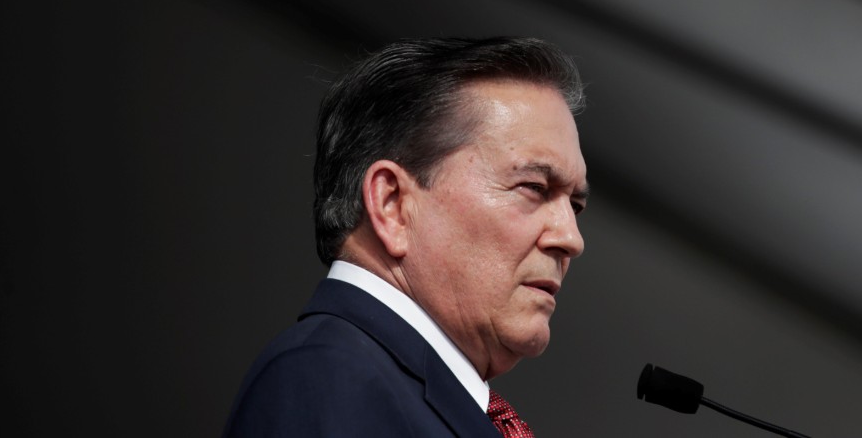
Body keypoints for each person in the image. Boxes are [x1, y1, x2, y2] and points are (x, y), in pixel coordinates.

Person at [224, 37, 589, 438]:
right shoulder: (330, 377)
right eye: (534, 187)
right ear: (393, 204)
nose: (571, 238)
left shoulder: (376, 381)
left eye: (575, 206)